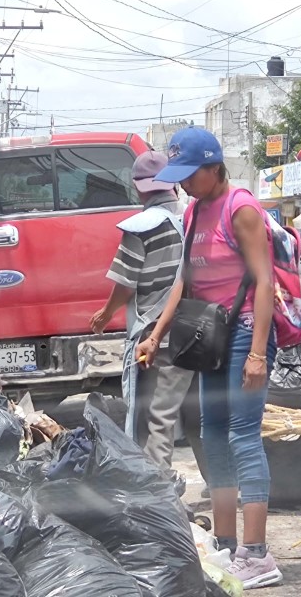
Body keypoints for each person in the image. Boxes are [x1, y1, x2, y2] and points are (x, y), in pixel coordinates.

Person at [136, 127, 282, 590]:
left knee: (242, 436)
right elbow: (183, 281)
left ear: (213, 167)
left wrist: (258, 353)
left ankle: (257, 555)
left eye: (188, 175)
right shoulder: (195, 209)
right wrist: (155, 335)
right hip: (210, 338)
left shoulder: (241, 209)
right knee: (211, 433)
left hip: (243, 335)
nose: (181, 185)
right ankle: (224, 542)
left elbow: (264, 282)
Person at [89, 151, 209, 484]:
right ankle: (219, 487)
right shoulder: (193, 218)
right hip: (200, 333)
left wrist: (105, 313)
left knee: (157, 417)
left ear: (140, 189)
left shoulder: (142, 228)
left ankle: (158, 488)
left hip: (155, 336)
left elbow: (126, 285)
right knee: (199, 416)